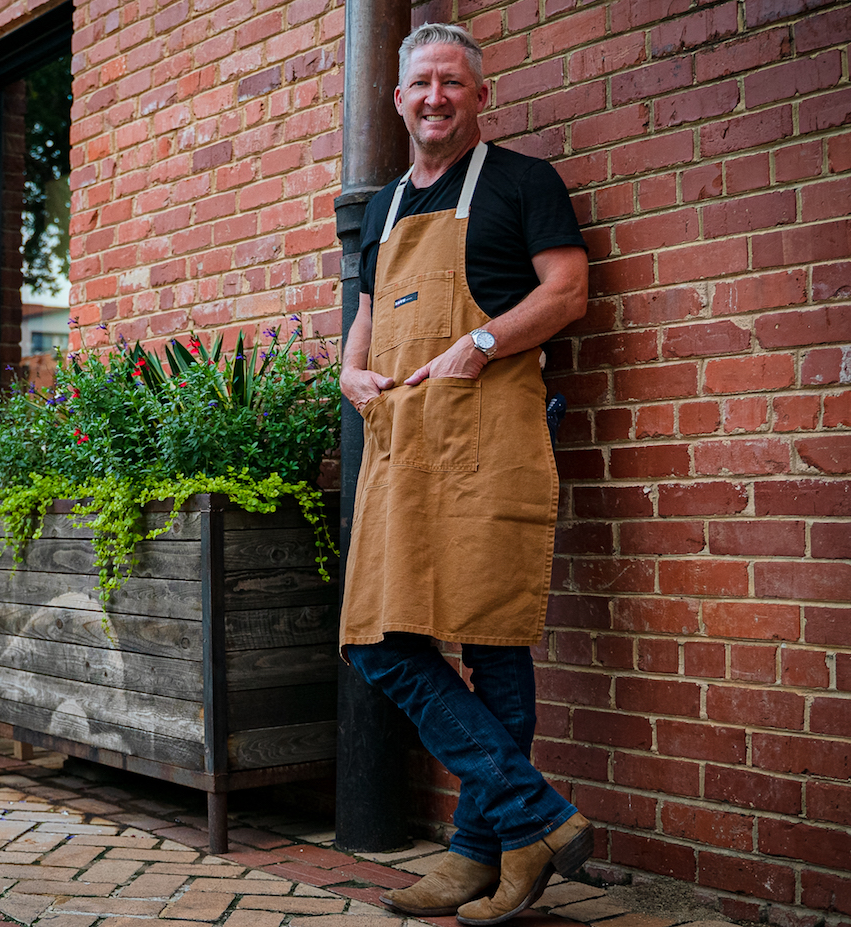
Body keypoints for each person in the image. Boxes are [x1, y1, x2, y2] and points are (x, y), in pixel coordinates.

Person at [339, 22, 592, 927]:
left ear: (480, 96)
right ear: (398, 99)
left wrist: (480, 341)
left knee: (492, 642)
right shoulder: (383, 206)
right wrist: (349, 370)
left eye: (452, 82)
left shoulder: (523, 182)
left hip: (489, 440)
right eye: (421, 84)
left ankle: (480, 853)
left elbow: (567, 291)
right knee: (378, 641)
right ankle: (534, 818)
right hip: (403, 444)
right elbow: (368, 310)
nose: (435, 97)